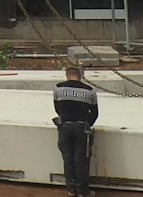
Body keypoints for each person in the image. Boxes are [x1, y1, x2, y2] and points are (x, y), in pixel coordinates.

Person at [53, 64, 99, 196]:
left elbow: (57, 108)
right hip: (81, 128)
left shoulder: (58, 88)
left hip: (65, 126)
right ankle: (83, 191)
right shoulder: (90, 90)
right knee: (81, 160)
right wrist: (86, 124)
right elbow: (95, 112)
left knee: (68, 158)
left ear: (67, 76)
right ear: (80, 76)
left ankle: (70, 189)